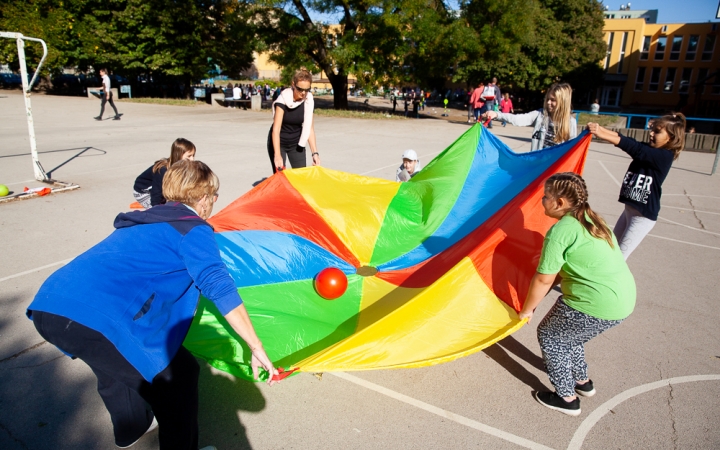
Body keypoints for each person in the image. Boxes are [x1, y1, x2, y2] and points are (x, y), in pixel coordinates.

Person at [28, 159, 278, 449]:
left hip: (51, 305)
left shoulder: (144, 220)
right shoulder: (193, 229)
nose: (213, 202)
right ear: (202, 199)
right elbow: (217, 284)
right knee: (179, 380)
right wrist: (255, 346)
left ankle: (131, 428)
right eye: (213, 196)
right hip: (94, 318)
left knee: (114, 362)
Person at [520, 172, 635, 416]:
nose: (542, 200)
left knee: (551, 336)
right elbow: (565, 268)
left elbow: (544, 278)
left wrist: (528, 308)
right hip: (622, 301)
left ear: (560, 203)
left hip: (595, 302)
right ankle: (582, 381)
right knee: (571, 334)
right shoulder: (593, 220)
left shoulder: (561, 231)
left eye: (546, 196)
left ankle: (566, 398)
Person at [587, 113, 686, 259]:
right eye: (652, 129)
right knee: (610, 249)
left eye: (657, 132)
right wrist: (600, 129)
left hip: (642, 217)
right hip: (629, 211)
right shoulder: (651, 150)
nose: (651, 133)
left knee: (619, 258)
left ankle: (612, 281)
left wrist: (601, 134)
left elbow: (634, 148)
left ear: (670, 137)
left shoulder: (664, 156)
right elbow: (629, 141)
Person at [483, 83, 577, 151]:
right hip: (538, 167)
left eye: (553, 100)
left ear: (562, 102)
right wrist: (497, 114)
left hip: (557, 170)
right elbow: (518, 119)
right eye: (548, 99)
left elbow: (573, 149)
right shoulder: (540, 115)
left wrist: (588, 131)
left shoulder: (570, 122)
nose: (548, 102)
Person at [268, 68, 320, 173]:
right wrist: (277, 155)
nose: (303, 93)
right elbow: (276, 129)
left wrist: (315, 153)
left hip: (296, 143)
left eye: (307, 89)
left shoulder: (309, 100)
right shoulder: (282, 100)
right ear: (293, 85)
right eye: (300, 89)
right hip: (279, 143)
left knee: (301, 177)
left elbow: (309, 128)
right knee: (281, 178)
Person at [133, 138, 196, 208]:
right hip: (144, 192)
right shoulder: (162, 171)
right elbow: (156, 195)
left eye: (193, 155)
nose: (192, 159)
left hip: (160, 189)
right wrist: (157, 211)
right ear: (178, 155)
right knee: (161, 210)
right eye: (189, 156)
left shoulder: (182, 167)